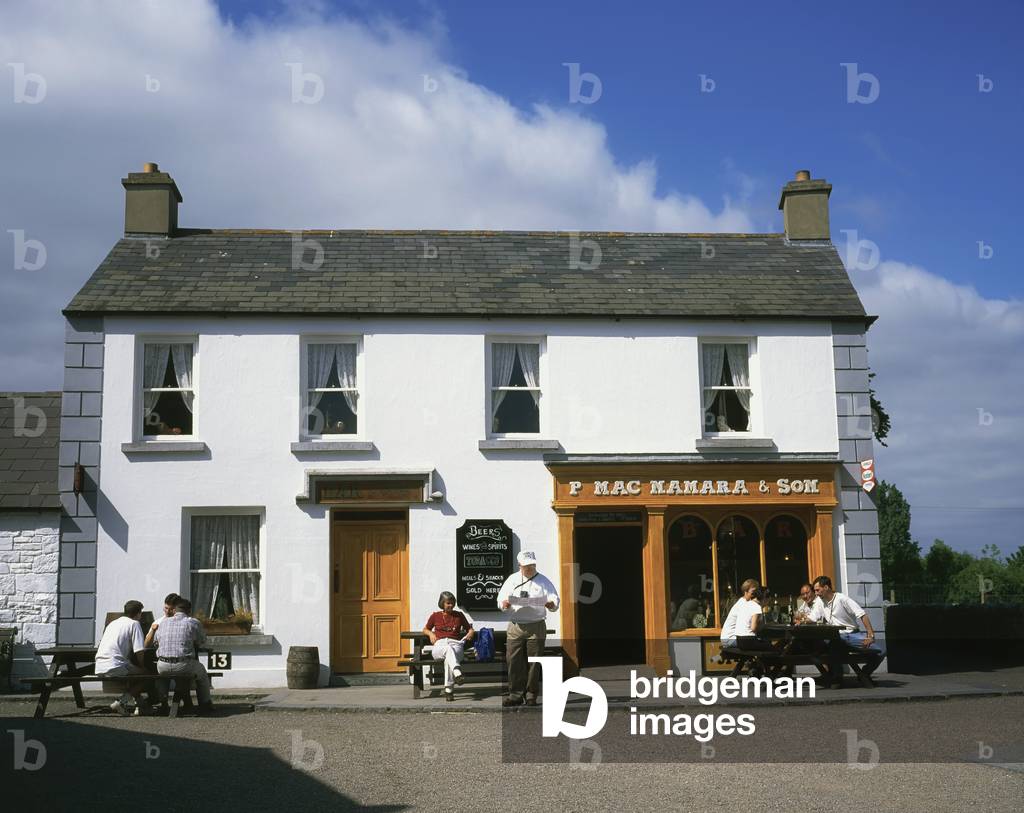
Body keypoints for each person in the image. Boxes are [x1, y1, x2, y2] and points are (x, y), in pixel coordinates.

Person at [497, 550, 560, 707]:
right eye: (526, 566)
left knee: (534, 662)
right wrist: (504, 604)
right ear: (520, 565)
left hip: (536, 624)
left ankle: (531, 695)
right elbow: (501, 599)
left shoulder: (543, 580)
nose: (530, 568)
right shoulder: (512, 579)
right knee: (513, 661)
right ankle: (515, 695)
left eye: (532, 565)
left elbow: (554, 598)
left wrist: (551, 604)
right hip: (516, 624)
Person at [810, 575, 884, 686]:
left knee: (881, 652)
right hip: (837, 636)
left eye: (817, 590)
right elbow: (812, 618)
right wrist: (802, 618)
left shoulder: (842, 599)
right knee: (828, 646)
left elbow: (862, 614)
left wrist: (871, 635)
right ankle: (836, 677)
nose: (816, 593)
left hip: (852, 635)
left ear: (826, 587)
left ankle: (864, 674)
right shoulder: (820, 602)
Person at [154, 596, 214, 713]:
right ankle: (205, 703)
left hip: (162, 666)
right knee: (202, 672)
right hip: (183, 664)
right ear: (189, 611)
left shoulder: (163, 622)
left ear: (175, 610)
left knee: (166, 675)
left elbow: (156, 642)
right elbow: (202, 641)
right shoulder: (192, 622)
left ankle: (164, 702)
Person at [94, 599, 152, 716]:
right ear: (138, 613)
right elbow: (139, 651)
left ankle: (141, 705)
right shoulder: (134, 624)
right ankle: (121, 702)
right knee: (147, 676)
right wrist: (142, 666)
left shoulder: (112, 623)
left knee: (134, 674)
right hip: (115, 665)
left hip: (99, 664)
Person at [423, 591, 475, 701]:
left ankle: (449, 691)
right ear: (442, 603)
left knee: (449, 658)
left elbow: (469, 629)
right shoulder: (435, 616)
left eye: (452, 603)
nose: (450, 605)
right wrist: (431, 634)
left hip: (455, 645)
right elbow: (425, 629)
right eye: (448, 603)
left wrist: (471, 632)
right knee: (448, 650)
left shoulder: (459, 615)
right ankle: (457, 674)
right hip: (440, 646)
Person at [719, 579, 772, 651]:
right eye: (753, 593)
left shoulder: (747, 603)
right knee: (765, 644)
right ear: (745, 592)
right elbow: (752, 627)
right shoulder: (745, 604)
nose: (756, 595)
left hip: (729, 638)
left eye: (757, 592)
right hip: (730, 639)